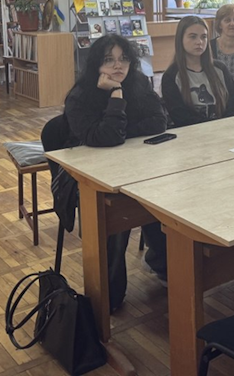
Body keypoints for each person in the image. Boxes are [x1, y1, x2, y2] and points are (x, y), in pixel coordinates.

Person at [62, 34, 168, 298]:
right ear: (96, 64)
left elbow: (159, 120)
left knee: (165, 196)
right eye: (109, 60)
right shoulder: (80, 97)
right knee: (117, 211)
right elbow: (104, 137)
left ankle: (165, 264)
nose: (118, 66)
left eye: (123, 59)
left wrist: (121, 131)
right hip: (89, 177)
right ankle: (109, 295)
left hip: (136, 166)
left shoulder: (138, 82)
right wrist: (116, 95)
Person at [162, 16, 234, 127]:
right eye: (193, 37)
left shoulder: (220, 69)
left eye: (203, 37)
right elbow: (180, 117)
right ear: (180, 39)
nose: (199, 42)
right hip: (192, 132)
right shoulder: (171, 75)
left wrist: (224, 126)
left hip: (225, 129)